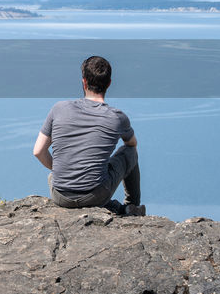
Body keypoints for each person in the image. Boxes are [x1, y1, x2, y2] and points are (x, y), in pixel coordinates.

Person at [32, 56, 145, 216]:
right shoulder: (117, 118)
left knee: (53, 175)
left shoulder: (59, 109)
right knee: (130, 152)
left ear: (84, 82)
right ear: (109, 83)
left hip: (60, 196)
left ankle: (115, 206)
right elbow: (132, 143)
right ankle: (132, 206)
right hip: (95, 195)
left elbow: (38, 151)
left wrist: (60, 170)